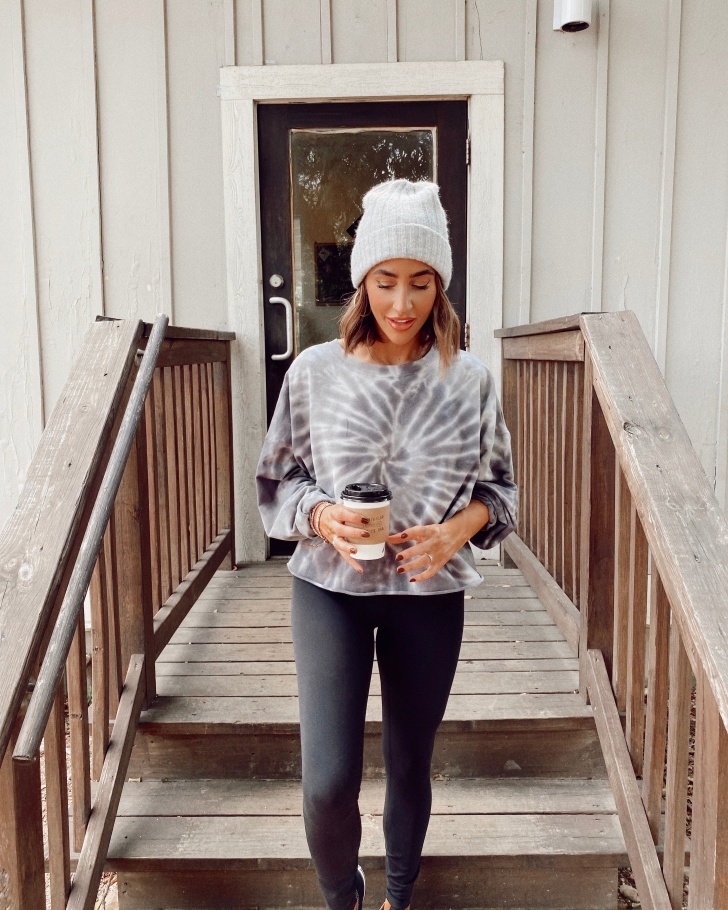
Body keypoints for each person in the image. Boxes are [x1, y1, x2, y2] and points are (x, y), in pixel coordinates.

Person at [256, 178, 518, 910]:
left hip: (429, 595)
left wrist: (454, 532)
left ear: (441, 287)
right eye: (385, 282)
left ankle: (401, 896)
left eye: (420, 283)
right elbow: (278, 482)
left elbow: (500, 493)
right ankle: (343, 894)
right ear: (362, 282)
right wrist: (319, 517)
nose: (402, 304)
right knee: (328, 781)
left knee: (410, 761)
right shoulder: (314, 373)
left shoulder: (468, 380)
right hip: (330, 591)